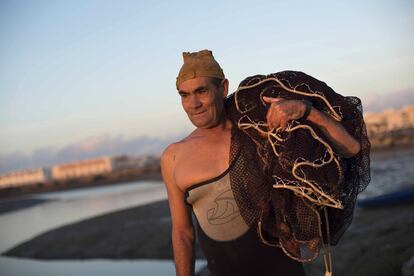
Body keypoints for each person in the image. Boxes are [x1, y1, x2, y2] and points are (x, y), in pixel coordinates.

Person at [161, 49, 361, 276]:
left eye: (201, 91)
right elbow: (182, 232)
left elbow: (350, 148)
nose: (193, 104)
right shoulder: (173, 157)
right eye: (184, 95)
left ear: (223, 88)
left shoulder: (260, 131)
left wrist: (306, 111)